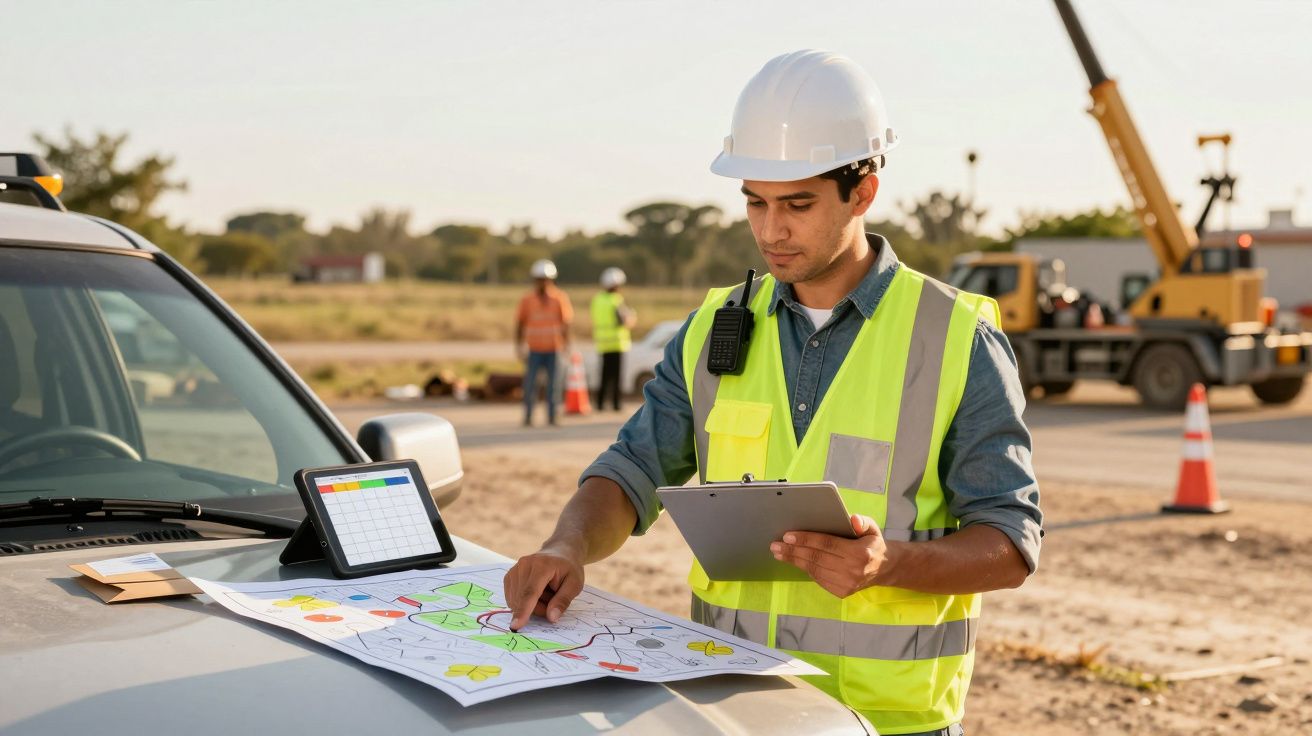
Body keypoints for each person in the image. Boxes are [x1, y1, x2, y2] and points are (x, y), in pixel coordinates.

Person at [504, 50, 1042, 736]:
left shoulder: (956, 337)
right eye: (754, 201)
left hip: (888, 721)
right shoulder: (712, 330)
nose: (770, 229)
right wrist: (566, 545)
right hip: (735, 706)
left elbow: (1011, 542)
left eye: (797, 204)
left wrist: (889, 564)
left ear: (863, 191)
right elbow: (630, 471)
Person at [516, 259, 572, 426]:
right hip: (534, 349)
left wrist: (566, 346)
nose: (542, 282)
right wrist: (519, 346)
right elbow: (519, 323)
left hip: (554, 349)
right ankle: (527, 417)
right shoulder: (527, 300)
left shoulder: (560, 298)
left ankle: (553, 417)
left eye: (545, 279)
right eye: (539, 279)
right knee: (530, 385)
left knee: (554, 386)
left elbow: (566, 323)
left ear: (551, 279)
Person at [591, 267, 637, 411]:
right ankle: (616, 404)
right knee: (616, 377)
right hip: (617, 343)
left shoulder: (597, 300)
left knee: (604, 376)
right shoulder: (616, 300)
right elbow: (623, 321)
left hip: (603, 343)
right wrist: (632, 318)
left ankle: (599, 403)